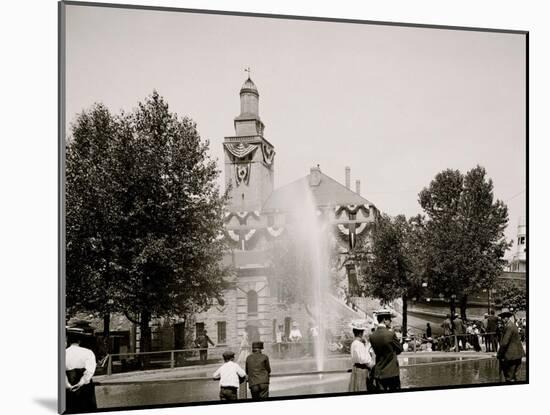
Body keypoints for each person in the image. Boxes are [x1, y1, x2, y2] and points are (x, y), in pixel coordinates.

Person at [369, 310, 403, 391]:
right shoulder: (390, 334)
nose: (391, 321)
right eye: (389, 319)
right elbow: (400, 349)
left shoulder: (372, 336)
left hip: (379, 372)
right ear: (384, 320)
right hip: (392, 372)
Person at [65, 330, 97, 412]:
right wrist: (81, 382)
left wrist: (67, 385)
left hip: (69, 383)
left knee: (70, 408)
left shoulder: (63, 353)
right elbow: (90, 371)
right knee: (86, 408)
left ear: (68, 340)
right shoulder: (88, 352)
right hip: (85, 386)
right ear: (79, 341)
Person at [497, 308, 525, 383]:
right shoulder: (512, 325)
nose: (502, 319)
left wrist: (499, 354)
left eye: (503, 318)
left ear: (506, 318)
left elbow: (504, 343)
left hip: (511, 356)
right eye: (502, 318)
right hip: (517, 355)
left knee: (509, 378)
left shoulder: (509, 326)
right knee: (514, 376)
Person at [348, 320, 374, 392]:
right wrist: (372, 366)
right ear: (360, 333)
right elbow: (364, 359)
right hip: (362, 369)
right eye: (362, 332)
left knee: (356, 387)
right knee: (362, 387)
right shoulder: (359, 344)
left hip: (356, 368)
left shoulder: (354, 343)